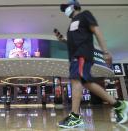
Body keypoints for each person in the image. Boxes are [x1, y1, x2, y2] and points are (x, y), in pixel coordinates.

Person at [54, 0, 128, 128]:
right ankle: (119, 105)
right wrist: (63, 40)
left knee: (76, 79)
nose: (65, 10)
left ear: (74, 6)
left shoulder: (84, 15)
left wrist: (105, 52)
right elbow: (75, 41)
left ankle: (75, 116)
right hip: (75, 56)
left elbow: (96, 31)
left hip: (82, 55)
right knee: (87, 83)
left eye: (66, 7)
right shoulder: (71, 24)